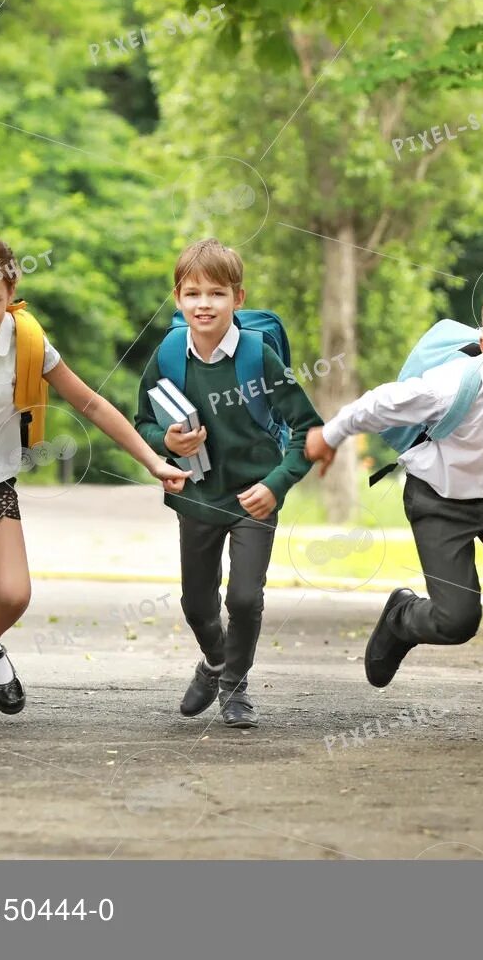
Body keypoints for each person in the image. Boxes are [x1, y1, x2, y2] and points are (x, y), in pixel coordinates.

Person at [0, 235, 188, 732]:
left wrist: (153, 461)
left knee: (14, 595)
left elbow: (91, 404)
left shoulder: (28, 343)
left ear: (11, 293)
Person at [305, 284, 483, 745]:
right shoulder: (449, 386)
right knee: (457, 621)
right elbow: (379, 404)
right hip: (438, 500)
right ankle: (401, 617)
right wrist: (330, 435)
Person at [134, 239, 323, 729]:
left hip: (253, 498)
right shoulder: (170, 352)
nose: (203, 304)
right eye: (192, 293)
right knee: (197, 602)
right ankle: (216, 663)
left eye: (216, 293)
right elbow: (142, 424)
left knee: (242, 597)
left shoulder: (257, 357)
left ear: (238, 299)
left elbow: (309, 431)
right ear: (177, 299)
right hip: (195, 496)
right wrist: (166, 442)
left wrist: (277, 486)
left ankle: (235, 687)